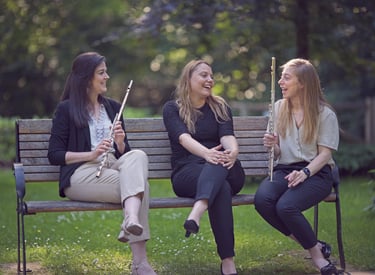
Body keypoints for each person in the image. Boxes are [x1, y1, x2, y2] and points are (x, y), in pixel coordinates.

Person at [47, 52, 157, 275]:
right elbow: (54, 154)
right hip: (80, 174)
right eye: (101, 72)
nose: (107, 76)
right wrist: (90, 154)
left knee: (138, 155)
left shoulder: (113, 107)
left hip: (111, 166)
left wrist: (120, 142)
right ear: (87, 78)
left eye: (106, 72)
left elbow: (124, 154)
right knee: (141, 188)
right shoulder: (67, 109)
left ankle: (131, 218)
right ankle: (140, 264)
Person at [254, 58, 340, 275]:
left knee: (285, 207)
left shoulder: (325, 114)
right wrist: (273, 146)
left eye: (286, 78)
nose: (280, 82)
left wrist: (305, 172)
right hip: (284, 169)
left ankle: (317, 257)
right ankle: (315, 244)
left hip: (317, 173)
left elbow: (325, 154)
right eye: (281, 77)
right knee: (262, 200)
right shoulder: (278, 107)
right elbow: (278, 154)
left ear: (302, 83)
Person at [162, 59, 245, 275]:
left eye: (211, 76)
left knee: (219, 161)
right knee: (221, 187)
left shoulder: (220, 107)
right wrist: (207, 153)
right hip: (187, 173)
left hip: (227, 169)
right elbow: (183, 138)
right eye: (203, 75)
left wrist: (233, 151)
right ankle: (228, 261)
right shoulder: (173, 108)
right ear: (188, 79)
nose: (210, 80)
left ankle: (197, 211)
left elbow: (227, 136)